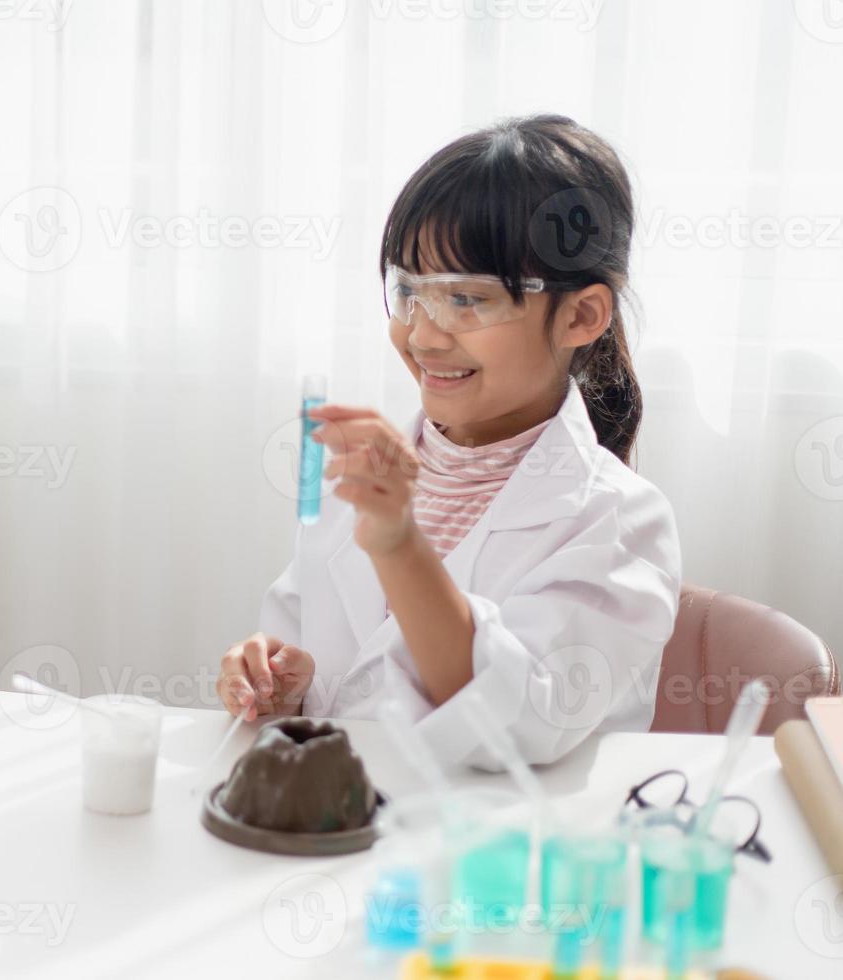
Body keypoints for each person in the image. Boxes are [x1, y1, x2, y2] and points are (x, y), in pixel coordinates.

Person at [216, 115, 681, 769]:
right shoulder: (370, 472)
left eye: (467, 299)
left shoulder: (621, 522)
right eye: (408, 291)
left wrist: (400, 544)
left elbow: (517, 726)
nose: (424, 335)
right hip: (346, 829)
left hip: (503, 851)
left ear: (581, 315)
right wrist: (285, 686)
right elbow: (331, 673)